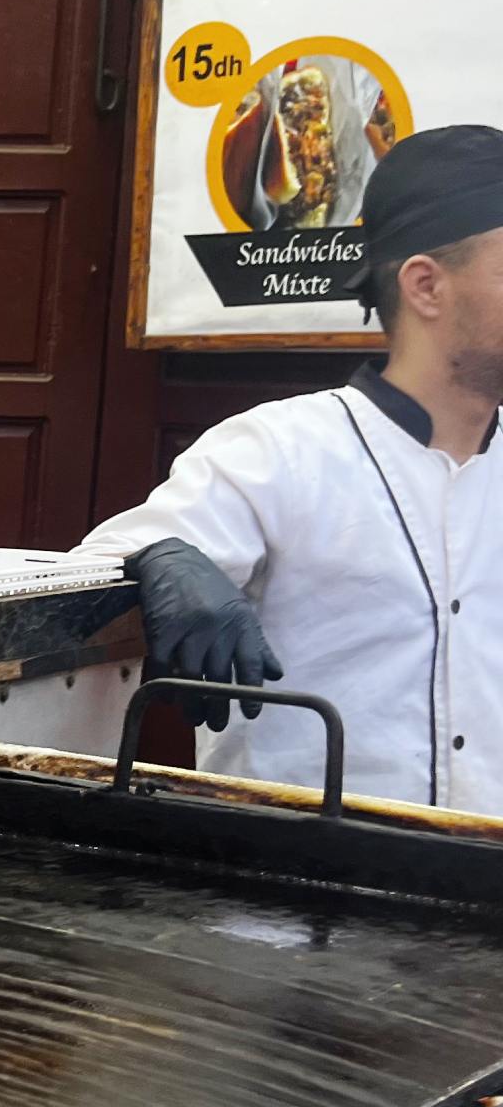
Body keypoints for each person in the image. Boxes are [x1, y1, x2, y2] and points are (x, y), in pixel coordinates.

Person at [81, 125, 503, 812]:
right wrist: (156, 557)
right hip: (292, 896)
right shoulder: (276, 452)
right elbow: (82, 582)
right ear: (426, 286)